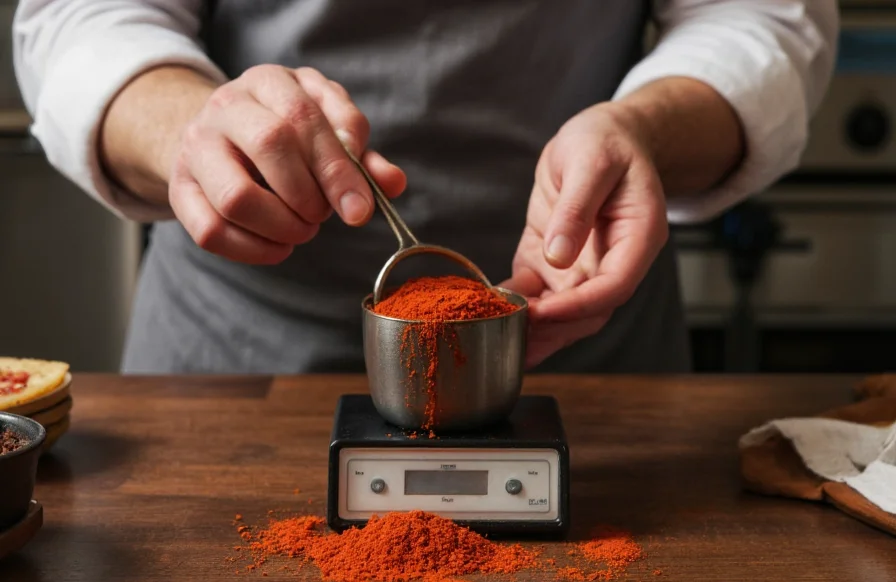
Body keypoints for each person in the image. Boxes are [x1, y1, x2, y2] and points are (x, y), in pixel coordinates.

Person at [13, 1, 838, 374]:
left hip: (583, 332)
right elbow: (82, 17)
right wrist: (194, 129)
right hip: (235, 358)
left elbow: (761, 15)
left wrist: (643, 131)